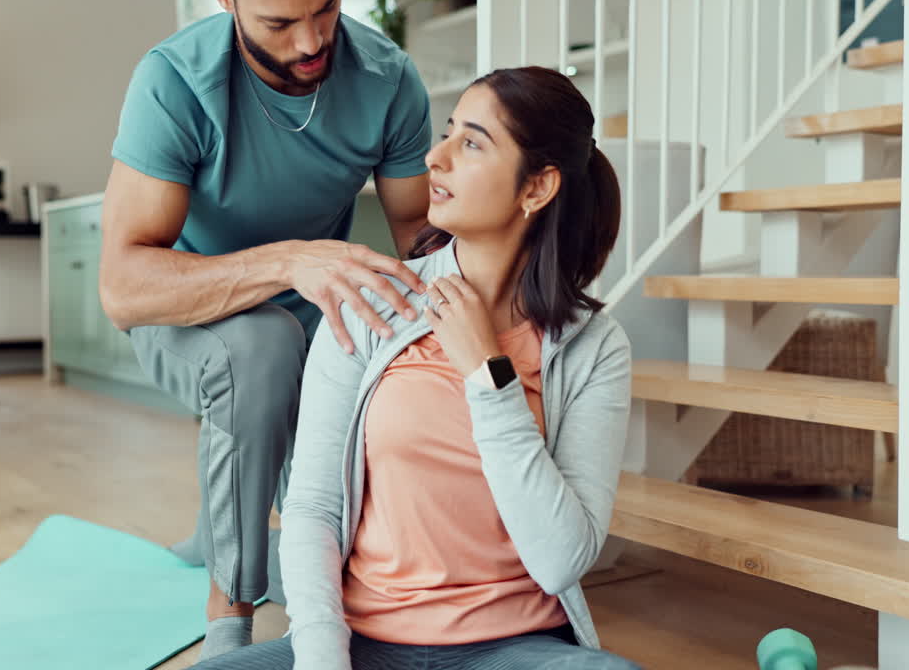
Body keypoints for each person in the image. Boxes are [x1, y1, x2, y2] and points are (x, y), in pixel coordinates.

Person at [199, 66, 640, 669]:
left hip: (515, 649)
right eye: (448, 132)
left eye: (472, 143)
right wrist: (323, 659)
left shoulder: (594, 346)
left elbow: (562, 559)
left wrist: (488, 372)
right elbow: (314, 508)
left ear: (537, 187)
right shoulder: (371, 302)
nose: (436, 157)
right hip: (364, 646)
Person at [98, 0, 433, 660]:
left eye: (328, 7)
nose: (312, 41)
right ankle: (229, 618)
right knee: (262, 343)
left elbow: (425, 249)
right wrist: (288, 260)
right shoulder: (174, 83)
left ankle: (226, 527)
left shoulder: (387, 80)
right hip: (183, 310)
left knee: (373, 354)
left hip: (317, 320)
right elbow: (123, 289)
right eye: (280, 23)